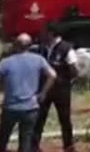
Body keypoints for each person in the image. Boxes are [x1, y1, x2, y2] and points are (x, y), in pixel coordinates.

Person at [0, 34, 56, 152]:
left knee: (3, 138)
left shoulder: (6, 62)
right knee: (26, 140)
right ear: (30, 46)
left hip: (10, 107)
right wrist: (43, 93)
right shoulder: (38, 59)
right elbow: (52, 75)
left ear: (15, 45)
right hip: (30, 107)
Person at [30, 24, 78, 152]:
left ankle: (68, 146)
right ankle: (34, 147)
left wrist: (64, 81)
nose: (41, 34)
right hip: (44, 89)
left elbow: (74, 70)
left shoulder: (66, 49)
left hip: (61, 90)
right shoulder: (41, 48)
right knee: (39, 118)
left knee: (65, 119)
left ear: (51, 33)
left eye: (44, 31)